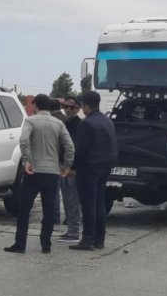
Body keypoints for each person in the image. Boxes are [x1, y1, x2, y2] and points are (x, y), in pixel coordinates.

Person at [4, 94, 74, 254]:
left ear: (35, 106)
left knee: (24, 209)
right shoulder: (58, 123)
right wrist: (66, 166)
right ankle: (46, 245)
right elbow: (70, 146)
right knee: (49, 209)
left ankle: (20, 244)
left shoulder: (30, 121)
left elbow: (23, 140)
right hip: (52, 172)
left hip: (33, 171)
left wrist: (27, 160)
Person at [69, 91, 118, 251]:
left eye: (82, 105)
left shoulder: (86, 124)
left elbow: (80, 150)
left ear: (86, 105)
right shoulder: (107, 121)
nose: (81, 108)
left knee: (88, 205)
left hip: (89, 168)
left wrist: (72, 167)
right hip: (104, 166)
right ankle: (99, 239)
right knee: (99, 203)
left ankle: (87, 240)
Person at [58, 96, 83, 243]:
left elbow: (78, 149)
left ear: (78, 108)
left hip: (73, 169)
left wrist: (73, 168)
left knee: (73, 200)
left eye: (71, 107)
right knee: (67, 200)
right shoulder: (64, 124)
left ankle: (74, 231)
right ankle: (71, 229)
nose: (68, 110)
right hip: (63, 166)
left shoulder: (80, 126)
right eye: (65, 106)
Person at [49, 98, 66, 225]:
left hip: (54, 158)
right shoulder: (66, 119)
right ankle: (69, 216)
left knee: (54, 190)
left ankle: (54, 217)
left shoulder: (51, 122)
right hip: (66, 159)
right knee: (68, 191)